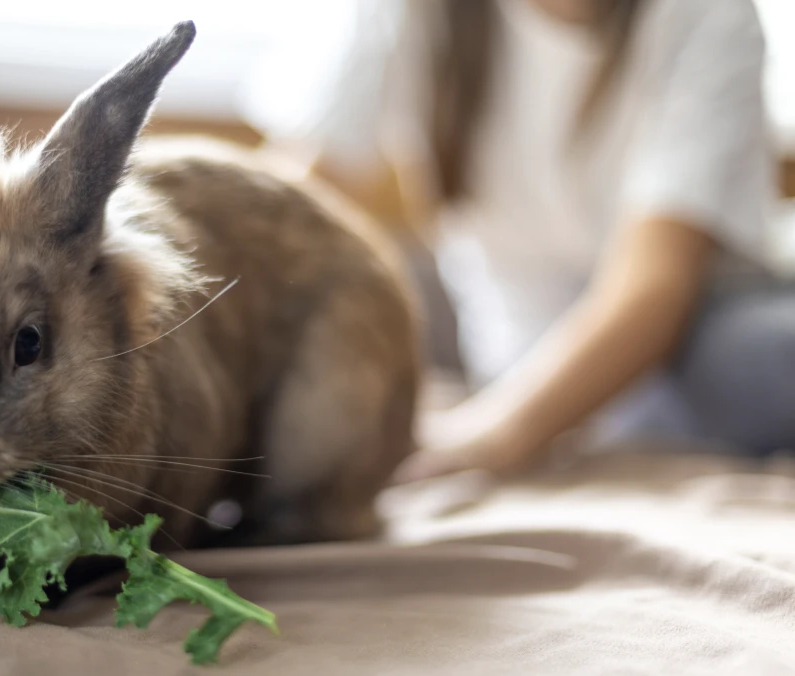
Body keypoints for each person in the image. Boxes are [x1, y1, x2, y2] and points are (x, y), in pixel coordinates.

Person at [242, 0, 795, 481]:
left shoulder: (709, 14)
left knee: (761, 357)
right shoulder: (402, 12)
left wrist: (494, 432)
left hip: (687, 331)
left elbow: (654, 286)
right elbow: (294, 209)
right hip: (508, 334)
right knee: (362, 291)